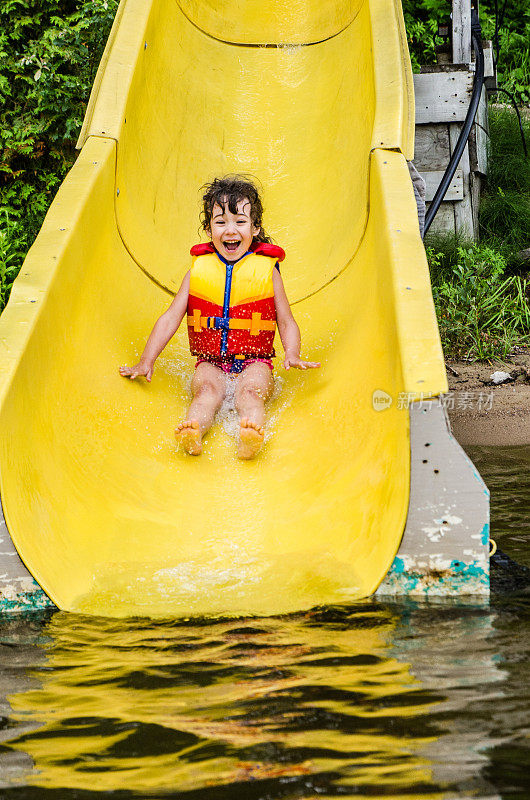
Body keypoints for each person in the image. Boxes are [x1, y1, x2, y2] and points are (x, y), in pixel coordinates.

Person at [119, 176, 320, 458]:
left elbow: (286, 320)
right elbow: (170, 318)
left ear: (255, 227)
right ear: (208, 228)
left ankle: (250, 437)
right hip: (210, 361)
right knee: (206, 392)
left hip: (255, 362)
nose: (230, 230)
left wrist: (293, 353)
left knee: (250, 393)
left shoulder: (268, 273)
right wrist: (146, 361)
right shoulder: (197, 273)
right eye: (221, 222)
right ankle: (194, 431)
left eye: (240, 221)